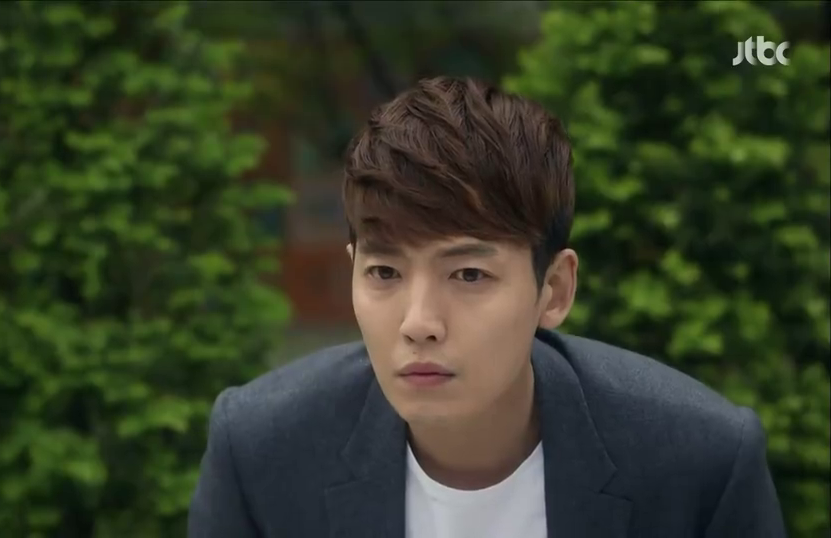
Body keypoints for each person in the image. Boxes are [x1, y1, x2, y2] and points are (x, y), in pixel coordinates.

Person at [186, 76, 787, 538]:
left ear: (554, 290)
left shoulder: (699, 463)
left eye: (469, 274)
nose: (419, 323)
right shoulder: (262, 450)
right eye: (385, 272)